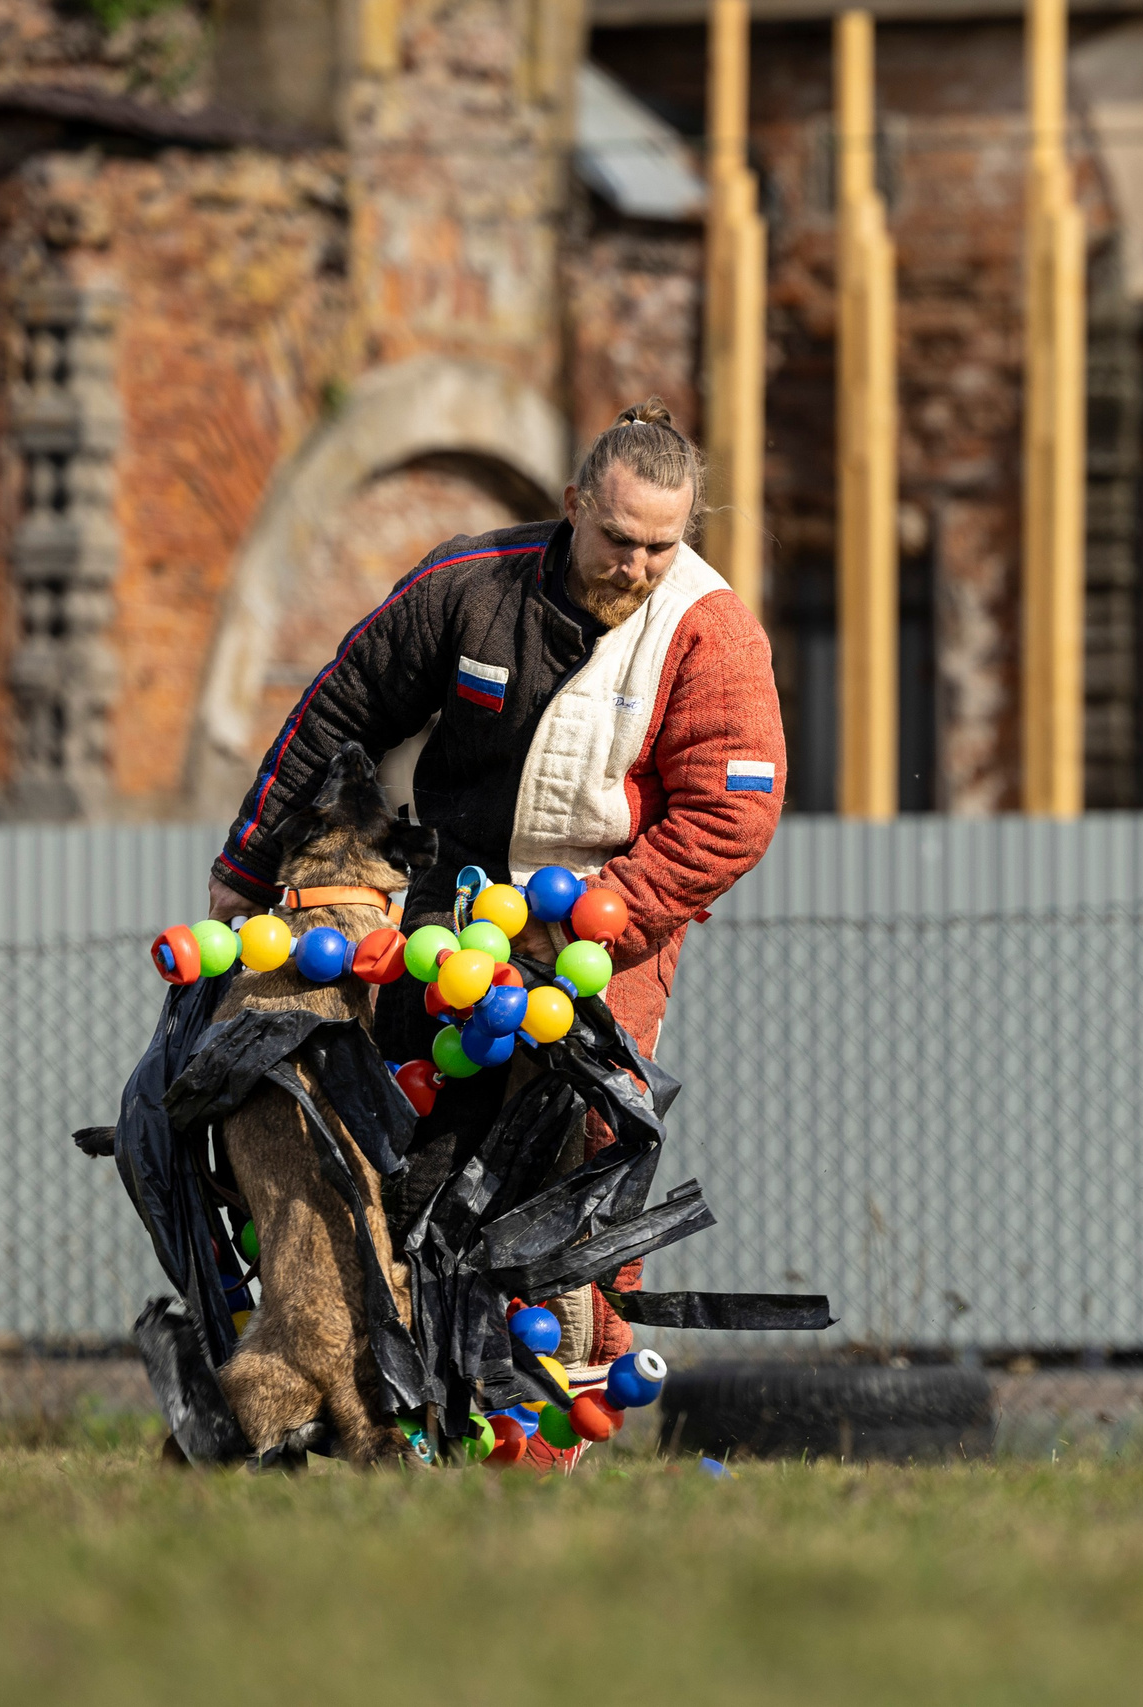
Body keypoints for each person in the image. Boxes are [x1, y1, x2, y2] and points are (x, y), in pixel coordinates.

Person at [203, 399, 786, 1379]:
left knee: (575, 1170)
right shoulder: (469, 584)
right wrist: (248, 867)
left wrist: (614, 912)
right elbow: (341, 706)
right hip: (448, 901)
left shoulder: (712, 633)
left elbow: (734, 815)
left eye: (659, 546)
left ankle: (558, 1415)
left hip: (604, 930)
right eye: (616, 539)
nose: (636, 567)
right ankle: (407, 1389)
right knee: (408, 1129)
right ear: (572, 506)